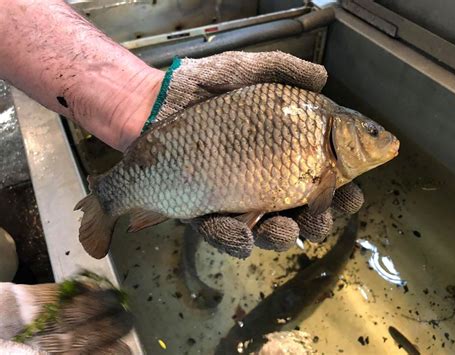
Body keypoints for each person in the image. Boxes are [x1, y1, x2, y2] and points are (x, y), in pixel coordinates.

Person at [0, 1, 364, 353]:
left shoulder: (317, 124)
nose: (383, 141)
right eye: (371, 134)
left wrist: (139, 97)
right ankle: (108, 198)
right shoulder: (321, 141)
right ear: (341, 131)